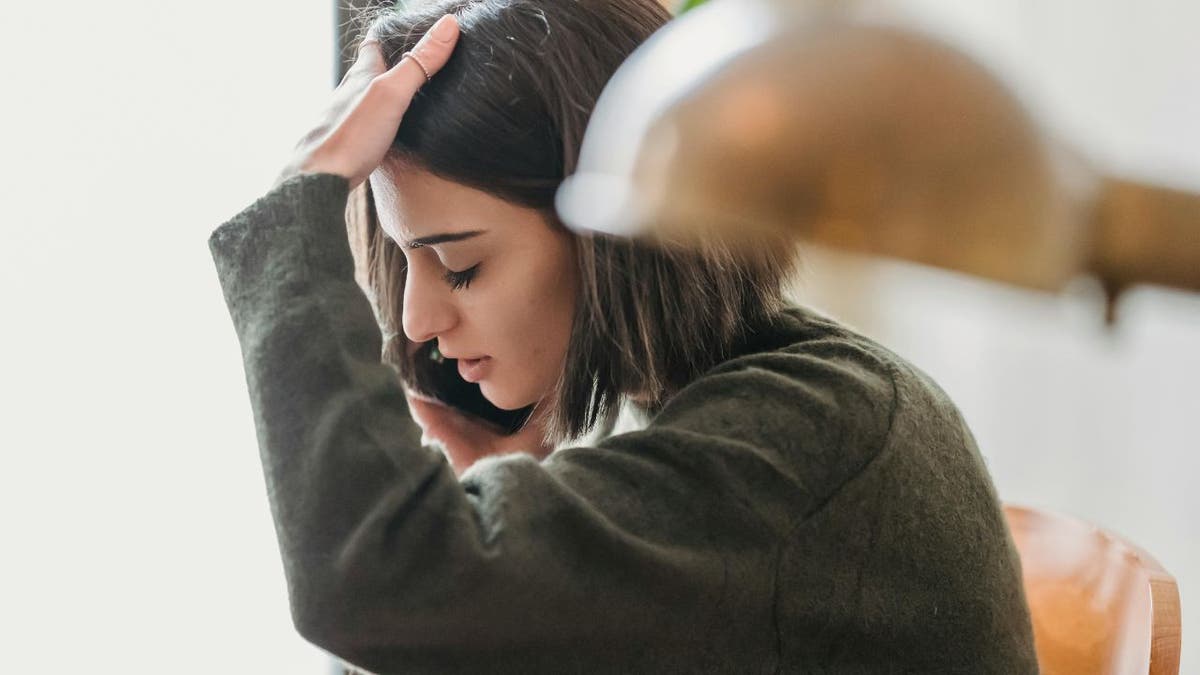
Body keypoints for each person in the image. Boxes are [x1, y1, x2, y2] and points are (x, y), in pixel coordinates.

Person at [207, 0, 1039, 672]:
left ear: (612, 239)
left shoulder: (817, 435)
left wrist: (295, 213)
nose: (420, 322)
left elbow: (374, 581)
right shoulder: (696, 401)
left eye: (460, 267)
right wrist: (518, 525)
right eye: (407, 262)